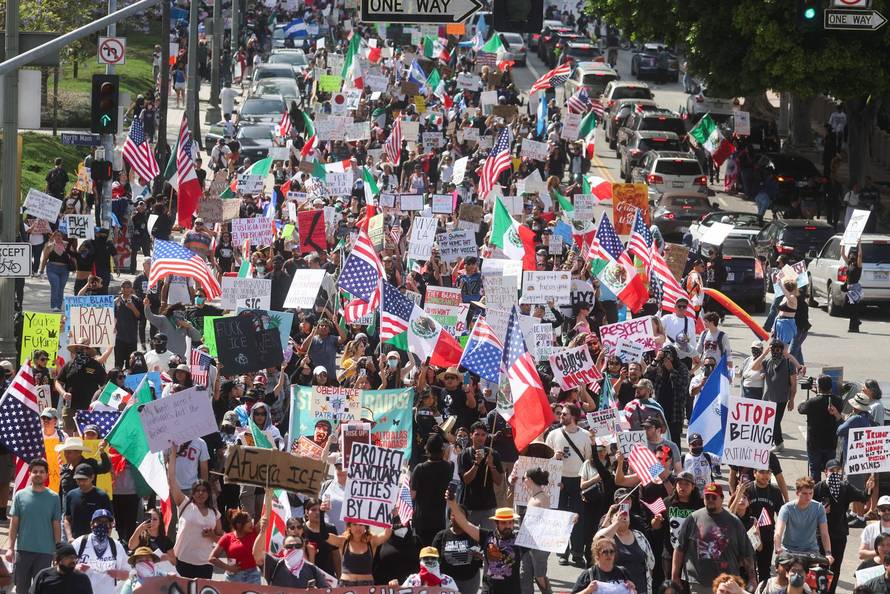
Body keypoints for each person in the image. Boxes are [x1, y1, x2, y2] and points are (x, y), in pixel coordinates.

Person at [672, 483, 756, 594]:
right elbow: (679, 549)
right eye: (707, 497)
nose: (710, 500)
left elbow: (746, 552)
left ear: (721, 499)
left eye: (714, 497)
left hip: (727, 584)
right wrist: (675, 576)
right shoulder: (693, 519)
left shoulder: (734, 522)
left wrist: (752, 578)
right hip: (698, 583)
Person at [446, 498, 526, 594]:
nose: (508, 526)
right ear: (496, 523)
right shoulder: (486, 536)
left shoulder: (520, 540)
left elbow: (541, 534)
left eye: (510, 522)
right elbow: (465, 524)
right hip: (489, 590)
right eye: (504, 523)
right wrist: (453, 504)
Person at [545, 403, 590, 566]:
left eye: (565, 414)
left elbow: (589, 460)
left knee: (578, 517)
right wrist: (554, 459)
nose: (561, 416)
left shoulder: (585, 436)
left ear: (575, 417)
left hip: (578, 481)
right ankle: (561, 552)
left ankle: (577, 553)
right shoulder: (553, 434)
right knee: (560, 516)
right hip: (559, 480)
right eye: (561, 414)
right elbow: (546, 461)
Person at [6, 458, 60, 594]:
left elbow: (56, 524)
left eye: (41, 472)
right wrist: (10, 548)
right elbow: (14, 524)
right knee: (21, 588)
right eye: (35, 471)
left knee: (41, 589)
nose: (38, 474)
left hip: (45, 552)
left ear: (47, 474)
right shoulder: (19, 495)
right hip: (23, 551)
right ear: (30, 473)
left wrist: (57, 550)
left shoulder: (54, 497)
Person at [167, 446, 222, 578]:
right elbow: (172, 481)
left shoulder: (215, 513)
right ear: (192, 493)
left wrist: (212, 536)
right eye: (197, 490)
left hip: (205, 564)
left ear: (209, 494)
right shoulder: (185, 504)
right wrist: (173, 454)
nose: (201, 493)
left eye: (204, 490)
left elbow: (221, 540)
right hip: (182, 561)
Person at [751, 339, 797, 452]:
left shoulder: (788, 363)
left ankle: (779, 443)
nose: (776, 352)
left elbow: (794, 384)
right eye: (773, 349)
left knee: (775, 422)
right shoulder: (767, 362)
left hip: (781, 398)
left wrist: (792, 400)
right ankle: (776, 442)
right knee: (769, 422)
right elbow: (754, 367)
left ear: (782, 350)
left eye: (778, 349)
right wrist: (765, 353)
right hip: (768, 398)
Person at [70, 509, 130, 594]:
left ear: (111, 526)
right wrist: (75, 568)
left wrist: (118, 574)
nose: (103, 525)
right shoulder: (80, 542)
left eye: (106, 523)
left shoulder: (116, 546)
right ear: (91, 524)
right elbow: (62, 566)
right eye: (99, 522)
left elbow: (127, 574)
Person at [775, 477, 832, 563]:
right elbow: (778, 532)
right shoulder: (786, 508)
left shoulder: (819, 508)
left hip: (811, 551)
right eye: (804, 493)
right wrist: (778, 547)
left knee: (819, 575)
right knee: (782, 573)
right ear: (797, 493)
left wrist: (828, 553)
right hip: (789, 550)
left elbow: (824, 534)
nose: (808, 497)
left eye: (810, 493)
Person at [458, 421, 503, 530]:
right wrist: (477, 463)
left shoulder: (493, 454)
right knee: (468, 539)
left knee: (488, 541)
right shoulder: (464, 454)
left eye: (483, 435)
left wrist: (492, 466)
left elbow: (499, 481)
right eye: (477, 434)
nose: (480, 438)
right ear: (471, 435)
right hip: (469, 506)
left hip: (488, 506)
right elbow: (466, 480)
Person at [797, 375, 844, 480]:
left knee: (815, 470)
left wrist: (807, 400)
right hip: (831, 442)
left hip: (814, 443)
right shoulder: (838, 401)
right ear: (831, 387)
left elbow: (800, 409)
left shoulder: (812, 403)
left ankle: (816, 493)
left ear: (818, 387)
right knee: (831, 469)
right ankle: (831, 490)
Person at [411, 433, 454, 545]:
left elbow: (412, 495)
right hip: (439, 518)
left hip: (422, 519)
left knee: (422, 551)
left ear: (427, 449)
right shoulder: (449, 467)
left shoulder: (420, 468)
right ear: (442, 449)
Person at [432, 502, 482, 594]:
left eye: (461, 515)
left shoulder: (473, 534)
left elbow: (480, 558)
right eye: (454, 515)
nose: (458, 517)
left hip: (470, 582)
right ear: (449, 518)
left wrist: (479, 556)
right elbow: (433, 560)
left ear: (466, 518)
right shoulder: (441, 536)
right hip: (447, 583)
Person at [325, 522, 393, 586]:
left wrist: (391, 515)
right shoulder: (342, 541)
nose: (358, 528)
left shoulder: (372, 541)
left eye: (361, 524)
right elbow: (324, 535)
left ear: (366, 526)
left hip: (367, 585)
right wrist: (322, 512)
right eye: (354, 524)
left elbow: (387, 534)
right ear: (349, 526)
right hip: (346, 585)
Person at [209, 509, 261, 583]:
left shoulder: (254, 532)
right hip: (233, 578)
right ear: (238, 525)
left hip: (252, 576)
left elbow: (265, 517)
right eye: (248, 521)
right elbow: (212, 558)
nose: (252, 523)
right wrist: (228, 568)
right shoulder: (227, 537)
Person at [569, 537, 636, 594]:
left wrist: (633, 590)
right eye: (605, 552)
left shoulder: (623, 572)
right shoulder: (589, 574)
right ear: (597, 555)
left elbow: (635, 591)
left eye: (612, 551)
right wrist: (588, 590)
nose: (609, 555)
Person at [64, 463, 113, 540]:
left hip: (97, 540)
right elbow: (67, 519)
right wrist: (70, 537)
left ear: (92, 477)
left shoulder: (102, 496)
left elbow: (110, 521)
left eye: (84, 479)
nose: (81, 483)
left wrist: (106, 539)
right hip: (76, 540)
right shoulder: (71, 495)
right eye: (78, 480)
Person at [842, 241, 864, 332]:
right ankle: (856, 322)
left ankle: (854, 327)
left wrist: (859, 244)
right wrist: (843, 244)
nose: (851, 256)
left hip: (855, 288)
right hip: (849, 288)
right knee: (847, 307)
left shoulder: (858, 266)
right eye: (851, 254)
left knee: (853, 308)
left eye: (853, 255)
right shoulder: (849, 264)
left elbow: (860, 255)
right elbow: (842, 254)